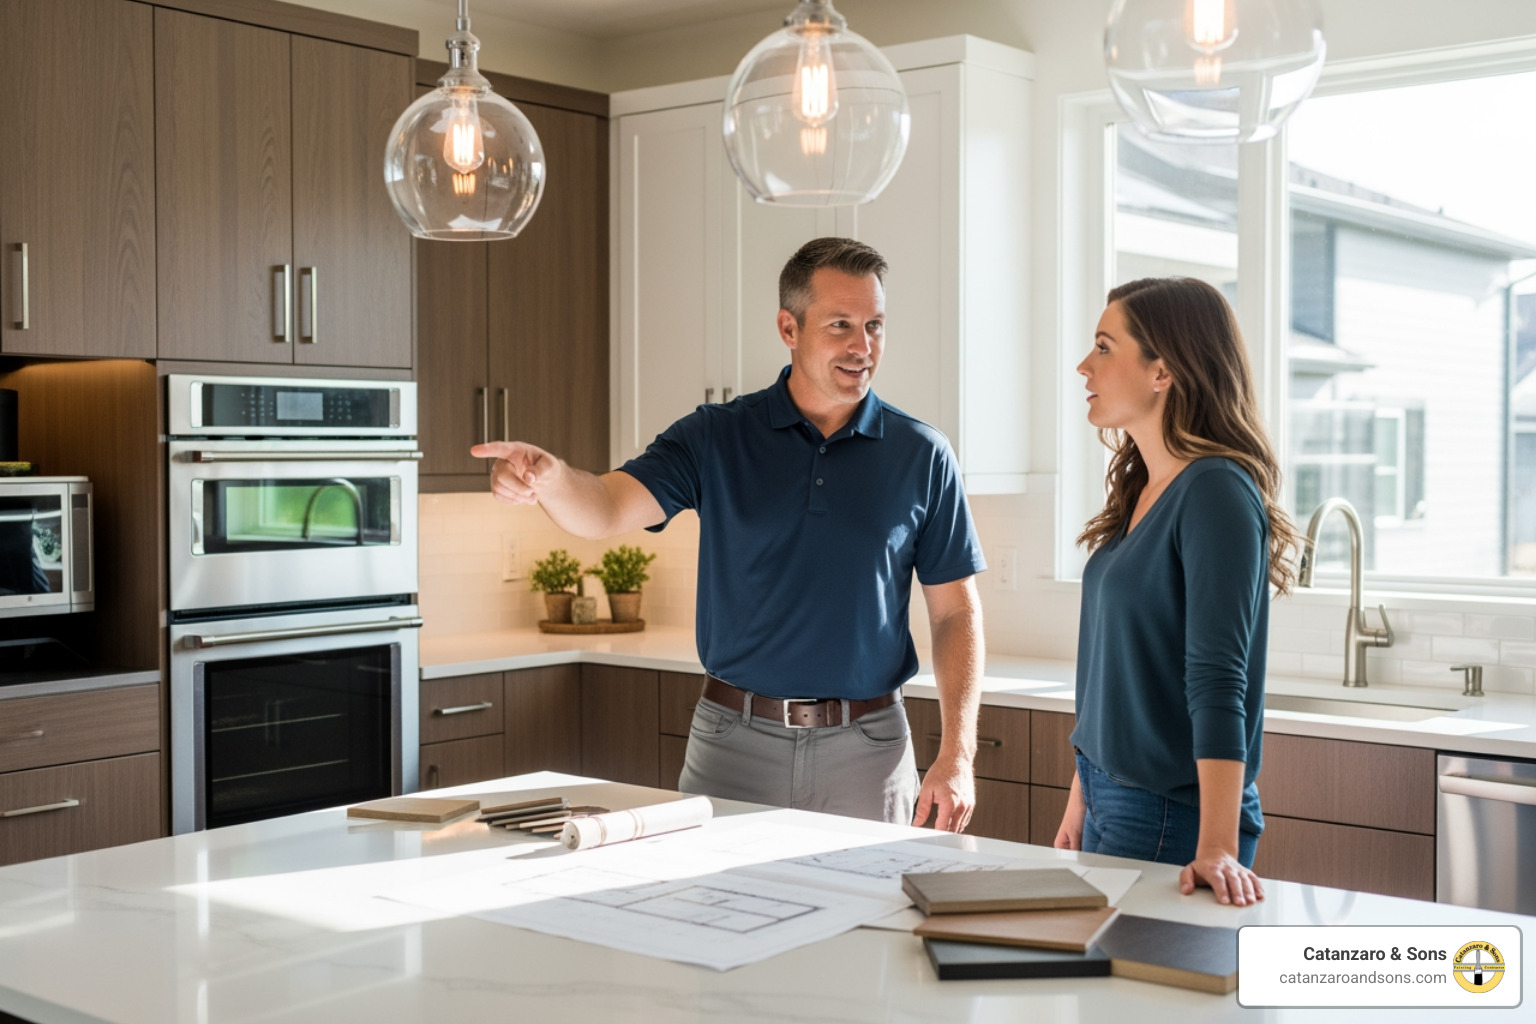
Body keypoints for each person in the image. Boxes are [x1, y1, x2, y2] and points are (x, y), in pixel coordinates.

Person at [472, 237, 985, 831]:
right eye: (841, 324)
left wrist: (957, 755)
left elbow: (955, 615)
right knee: (713, 916)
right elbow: (607, 506)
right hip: (733, 746)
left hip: (868, 754)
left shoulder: (921, 454)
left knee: (869, 917)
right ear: (788, 328)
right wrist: (551, 478)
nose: (862, 347)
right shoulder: (716, 437)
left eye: (874, 325)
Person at [1055, 276, 1297, 907]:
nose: (1085, 365)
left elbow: (1218, 680)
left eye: (1104, 347)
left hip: (1167, 813)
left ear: (1162, 370)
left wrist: (1215, 845)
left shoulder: (1216, 490)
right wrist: (1083, 795)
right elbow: (1110, 665)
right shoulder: (1145, 487)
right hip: (1111, 794)